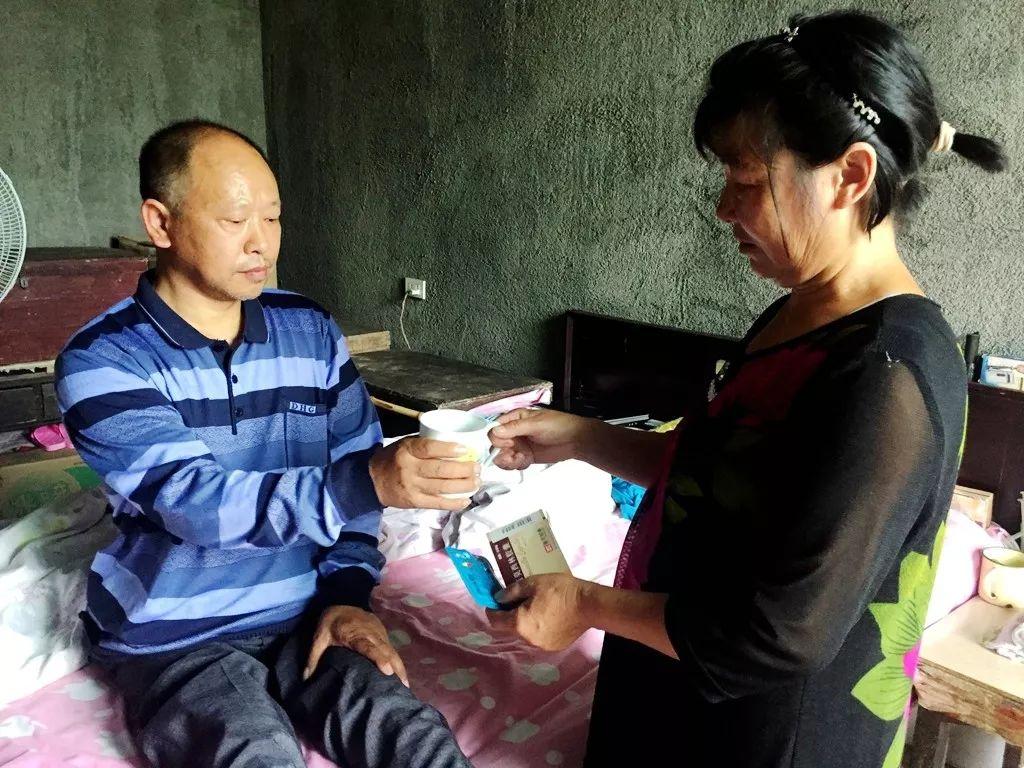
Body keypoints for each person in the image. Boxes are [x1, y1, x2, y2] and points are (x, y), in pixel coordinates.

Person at [487, 11, 1006, 768]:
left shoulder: (887, 372)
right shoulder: (800, 313)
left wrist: (585, 603)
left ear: (851, 176)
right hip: (683, 690)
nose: (725, 209)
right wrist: (581, 438)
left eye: (747, 181)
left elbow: (781, 633)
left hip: (767, 738)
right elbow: (729, 477)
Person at [55, 120, 476, 768]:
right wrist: (370, 479)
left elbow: (355, 466)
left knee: (412, 736)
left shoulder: (309, 330)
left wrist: (346, 596)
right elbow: (197, 504)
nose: (262, 242)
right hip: (176, 636)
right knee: (253, 751)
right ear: (160, 223)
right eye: (235, 220)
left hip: (309, 612)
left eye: (273, 218)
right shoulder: (104, 360)